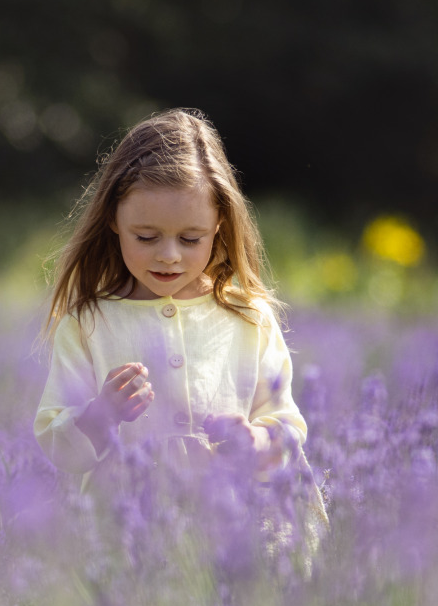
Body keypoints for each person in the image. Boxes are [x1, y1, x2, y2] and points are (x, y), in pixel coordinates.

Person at [34, 108, 311, 485]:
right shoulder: (88, 324)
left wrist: (255, 440)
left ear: (219, 224)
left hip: (235, 529)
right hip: (125, 531)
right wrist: (101, 414)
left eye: (190, 239)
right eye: (146, 237)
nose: (169, 255)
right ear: (114, 219)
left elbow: (288, 428)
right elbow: (58, 447)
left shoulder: (249, 317)